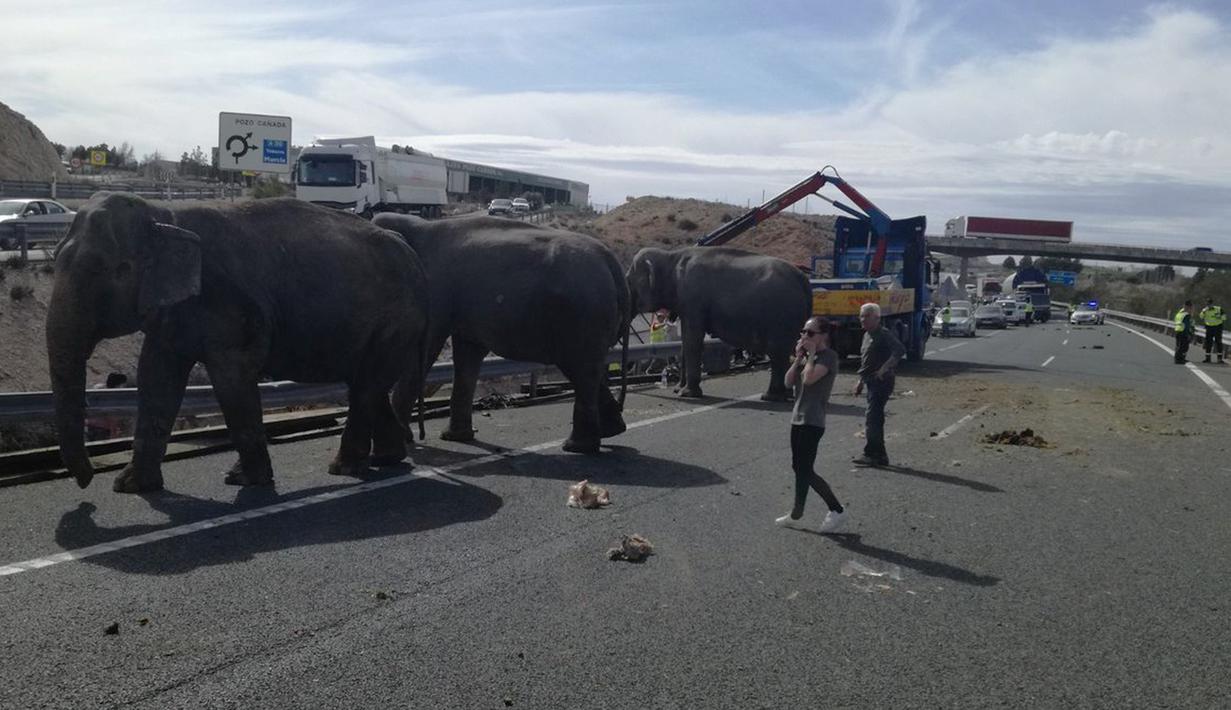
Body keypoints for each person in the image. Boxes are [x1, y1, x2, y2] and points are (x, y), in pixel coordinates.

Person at [775, 317, 847, 532]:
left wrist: (812, 355)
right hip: (797, 418)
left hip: (813, 420)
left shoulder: (828, 357)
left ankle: (837, 510)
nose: (804, 336)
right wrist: (798, 359)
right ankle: (797, 512)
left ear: (823, 336)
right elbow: (788, 382)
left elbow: (809, 380)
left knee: (805, 469)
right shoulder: (806, 358)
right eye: (803, 332)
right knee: (799, 468)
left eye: (810, 333)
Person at [854, 303, 905, 467]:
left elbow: (899, 350)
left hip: (881, 382)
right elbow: (866, 361)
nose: (863, 319)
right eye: (861, 315)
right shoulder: (866, 335)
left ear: (877, 318)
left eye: (866, 315)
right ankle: (879, 455)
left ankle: (873, 454)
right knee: (874, 417)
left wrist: (884, 368)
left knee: (873, 417)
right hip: (870, 380)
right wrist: (860, 381)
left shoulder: (883, 334)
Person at [1199, 297, 1225, 364]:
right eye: (1207, 304)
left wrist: (1219, 316)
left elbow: (1224, 317)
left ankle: (1219, 359)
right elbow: (1201, 317)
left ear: (1212, 304)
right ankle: (1207, 358)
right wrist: (1204, 312)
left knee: (1218, 342)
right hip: (1209, 328)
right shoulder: (1205, 310)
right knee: (1208, 343)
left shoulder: (1218, 309)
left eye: (1210, 304)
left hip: (1217, 327)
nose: (1208, 305)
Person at [1174, 300, 1195, 364]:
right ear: (1188, 307)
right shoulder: (1186, 315)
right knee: (1183, 347)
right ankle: (1179, 359)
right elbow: (1187, 325)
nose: (1192, 309)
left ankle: (1179, 358)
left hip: (1178, 331)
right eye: (1191, 307)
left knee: (1179, 346)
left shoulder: (1179, 313)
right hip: (1183, 332)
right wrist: (1189, 333)